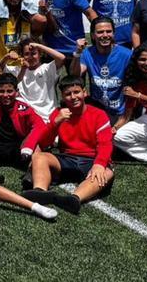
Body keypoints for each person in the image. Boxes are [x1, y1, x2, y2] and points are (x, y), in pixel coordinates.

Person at [20, 76, 115, 214]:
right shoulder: (58, 114)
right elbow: (44, 143)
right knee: (39, 156)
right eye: (68, 94)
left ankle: (75, 199)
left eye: (76, 92)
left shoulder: (99, 114)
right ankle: (39, 191)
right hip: (67, 158)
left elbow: (105, 144)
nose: (73, 97)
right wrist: (55, 123)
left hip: (91, 159)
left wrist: (99, 164)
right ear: (63, 97)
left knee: (107, 172)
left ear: (84, 92)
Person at [71, 17, 132, 123]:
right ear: (93, 35)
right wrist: (77, 53)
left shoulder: (127, 55)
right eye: (100, 32)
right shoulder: (87, 53)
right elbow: (75, 75)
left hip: (119, 112)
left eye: (108, 31)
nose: (105, 35)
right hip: (96, 109)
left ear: (114, 33)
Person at [4, 39, 65, 121]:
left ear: (40, 54)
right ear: (22, 55)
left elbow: (61, 58)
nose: (30, 57)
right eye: (26, 54)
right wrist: (6, 58)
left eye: (33, 53)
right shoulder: (17, 70)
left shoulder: (47, 69)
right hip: (26, 118)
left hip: (47, 117)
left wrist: (39, 46)